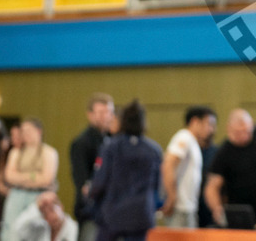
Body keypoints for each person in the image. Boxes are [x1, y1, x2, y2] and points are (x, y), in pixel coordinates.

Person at [88, 100, 162, 241]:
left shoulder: (111, 148)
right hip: (141, 214)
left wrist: (91, 197)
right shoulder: (154, 150)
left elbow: (100, 181)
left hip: (113, 213)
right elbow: (157, 186)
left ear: (122, 121)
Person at [204, 109, 256, 229]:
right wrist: (217, 209)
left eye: (247, 131)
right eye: (239, 133)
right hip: (240, 213)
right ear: (229, 129)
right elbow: (212, 187)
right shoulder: (223, 152)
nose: (244, 135)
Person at [1, 119, 58, 241]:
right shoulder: (16, 152)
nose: (25, 134)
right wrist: (34, 175)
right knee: (11, 229)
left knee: (37, 230)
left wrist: (20, 176)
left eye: (28, 130)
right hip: (17, 195)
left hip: (39, 196)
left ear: (38, 131)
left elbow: (46, 179)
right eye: (23, 131)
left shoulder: (48, 152)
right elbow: (9, 176)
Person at [161, 106, 217, 228]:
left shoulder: (193, 142)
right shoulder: (184, 137)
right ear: (195, 121)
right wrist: (171, 197)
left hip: (188, 207)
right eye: (209, 124)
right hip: (180, 207)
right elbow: (168, 164)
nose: (211, 129)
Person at [69, 93, 113, 241]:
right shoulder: (81, 143)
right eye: (101, 113)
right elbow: (82, 182)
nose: (106, 116)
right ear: (90, 115)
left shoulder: (113, 140)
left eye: (109, 112)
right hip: (91, 212)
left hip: (112, 211)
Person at [10, 193, 77, 241]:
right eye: (46, 214)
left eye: (52, 209)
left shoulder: (71, 226)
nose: (50, 216)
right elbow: (17, 228)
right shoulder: (40, 227)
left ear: (61, 206)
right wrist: (36, 206)